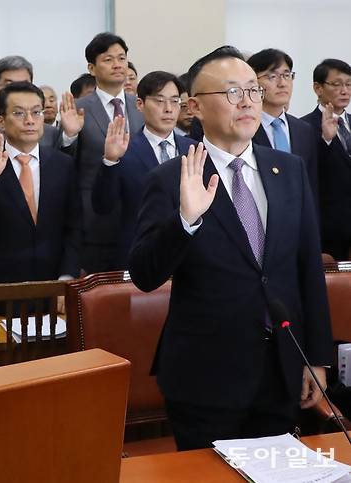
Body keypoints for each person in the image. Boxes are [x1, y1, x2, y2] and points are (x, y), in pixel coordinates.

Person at [128, 46, 332, 451]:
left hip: (280, 371)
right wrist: (185, 222)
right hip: (205, 377)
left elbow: (308, 268)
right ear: (195, 107)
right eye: (232, 92)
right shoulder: (172, 177)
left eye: (253, 91)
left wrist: (317, 359)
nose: (248, 102)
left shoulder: (288, 170)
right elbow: (144, 274)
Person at [0, 82, 80, 295]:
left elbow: (74, 227)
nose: (30, 120)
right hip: (0, 287)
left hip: (54, 285)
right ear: (1, 121)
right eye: (19, 113)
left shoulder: (63, 164)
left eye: (36, 112)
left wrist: (67, 276)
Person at [92, 71, 196, 268]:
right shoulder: (123, 149)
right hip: (141, 256)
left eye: (174, 102)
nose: (168, 109)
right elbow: (103, 206)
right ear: (140, 104)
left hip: (190, 256)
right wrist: (111, 161)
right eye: (159, 101)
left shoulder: (194, 149)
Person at [70, 32, 144, 273]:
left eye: (122, 58)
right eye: (109, 59)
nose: (117, 65)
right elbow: (69, 163)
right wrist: (68, 136)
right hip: (95, 220)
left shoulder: (142, 106)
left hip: (138, 215)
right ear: (92, 68)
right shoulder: (78, 110)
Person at [247, 48, 319, 205]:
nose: (282, 83)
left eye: (287, 75)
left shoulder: (304, 129)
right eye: (272, 76)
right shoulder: (246, 129)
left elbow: (312, 187)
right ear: (253, 83)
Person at [301, 59, 351, 260]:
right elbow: (308, 172)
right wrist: (326, 140)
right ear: (318, 88)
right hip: (327, 230)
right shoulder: (303, 127)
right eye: (337, 84)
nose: (344, 90)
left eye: (348, 84)